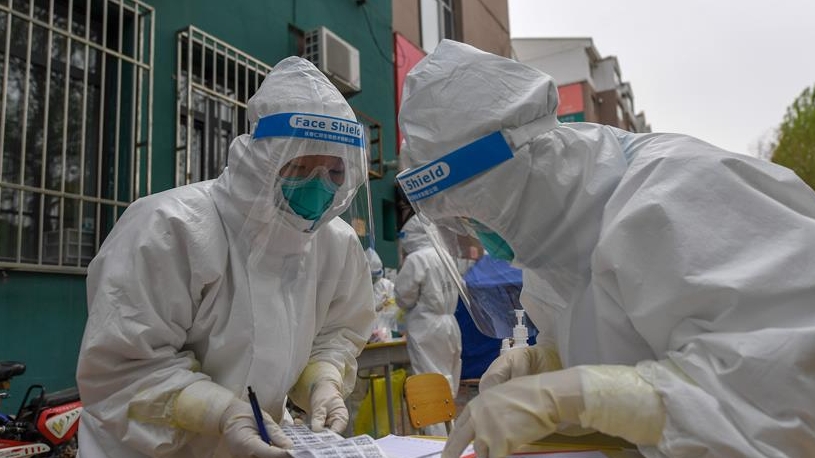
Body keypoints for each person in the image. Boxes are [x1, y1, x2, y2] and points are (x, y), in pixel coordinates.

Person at [396, 40, 815, 458]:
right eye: (459, 223)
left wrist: (583, 397)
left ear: (523, 168)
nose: (475, 234)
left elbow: (784, 393)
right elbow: (627, 354)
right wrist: (551, 363)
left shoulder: (681, 192)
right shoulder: (555, 247)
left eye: (475, 212)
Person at [75, 56, 376, 458]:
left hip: (263, 442)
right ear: (263, 159)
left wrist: (323, 381)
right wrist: (220, 413)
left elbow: (335, 334)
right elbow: (124, 368)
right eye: (300, 166)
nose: (318, 186)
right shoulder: (169, 227)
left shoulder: (335, 243)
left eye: (335, 173)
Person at [394, 215, 462, 437]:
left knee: (429, 383)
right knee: (447, 381)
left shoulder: (417, 259)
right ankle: (451, 433)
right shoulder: (446, 256)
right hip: (450, 324)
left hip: (426, 327)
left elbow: (403, 296)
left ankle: (437, 440)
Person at [365, 248, 400, 342]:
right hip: (364, 337)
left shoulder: (387, 286)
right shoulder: (357, 288)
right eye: (371, 276)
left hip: (384, 336)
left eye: (375, 276)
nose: (373, 280)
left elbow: (395, 311)